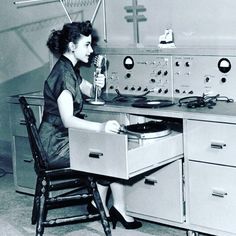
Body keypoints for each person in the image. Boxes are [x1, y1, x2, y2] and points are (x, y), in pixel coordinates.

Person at [39, 21, 142, 230]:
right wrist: (101, 127)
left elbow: (89, 92)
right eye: (86, 45)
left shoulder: (69, 69)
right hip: (54, 146)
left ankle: (103, 204)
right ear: (72, 46)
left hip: (62, 138)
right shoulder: (63, 75)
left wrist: (98, 86)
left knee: (108, 147)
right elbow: (68, 120)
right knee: (107, 150)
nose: (91, 50)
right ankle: (107, 206)